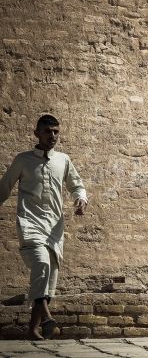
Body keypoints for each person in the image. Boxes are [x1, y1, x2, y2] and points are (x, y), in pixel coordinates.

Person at [0, 115, 88, 340]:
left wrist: (80, 199)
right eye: (48, 131)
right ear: (36, 133)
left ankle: (33, 328)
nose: (53, 136)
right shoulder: (23, 160)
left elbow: (76, 184)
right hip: (30, 222)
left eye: (56, 132)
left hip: (55, 226)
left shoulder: (63, 160)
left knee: (50, 277)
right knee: (41, 263)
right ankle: (48, 316)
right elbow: (5, 186)